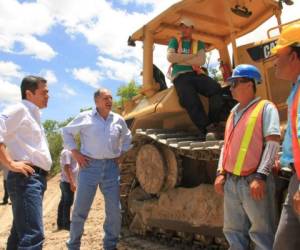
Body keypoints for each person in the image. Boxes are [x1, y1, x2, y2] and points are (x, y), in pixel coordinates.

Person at [214, 64, 281, 249]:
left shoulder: (265, 108)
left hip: (253, 180)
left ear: (249, 84)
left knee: (262, 234)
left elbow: (273, 143)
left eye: (235, 83)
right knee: (233, 232)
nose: (231, 87)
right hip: (232, 182)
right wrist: (221, 172)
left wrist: (261, 176)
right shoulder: (233, 112)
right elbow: (226, 146)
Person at [63, 88, 132, 250]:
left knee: (115, 210)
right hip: (89, 167)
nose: (109, 100)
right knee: (80, 209)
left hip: (111, 168)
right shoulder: (85, 117)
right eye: (105, 98)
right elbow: (66, 132)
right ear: (96, 101)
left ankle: (110, 245)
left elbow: (128, 136)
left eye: (111, 98)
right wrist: (75, 153)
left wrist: (122, 154)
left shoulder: (118, 119)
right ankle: (73, 246)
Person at [0, 75, 52, 249]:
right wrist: (10, 163)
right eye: (44, 92)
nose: (48, 95)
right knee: (33, 236)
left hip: (34, 179)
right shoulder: (20, 110)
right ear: (29, 94)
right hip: (26, 179)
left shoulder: (33, 114)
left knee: (19, 235)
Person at [167, 18, 223, 139]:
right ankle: (206, 129)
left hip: (196, 74)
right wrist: (192, 57)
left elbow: (201, 60)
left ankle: (214, 124)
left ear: (192, 28)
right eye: (182, 27)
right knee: (190, 99)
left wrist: (181, 58)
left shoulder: (199, 43)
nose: (184, 29)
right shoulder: (174, 41)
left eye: (187, 27)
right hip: (180, 76)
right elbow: (170, 57)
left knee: (216, 88)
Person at [271, 21, 300, 250]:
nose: (274, 61)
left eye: (278, 54)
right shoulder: (295, 89)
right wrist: (285, 156)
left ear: (294, 56)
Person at [57, 148, 79, 231]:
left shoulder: (69, 151)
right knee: (67, 202)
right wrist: (72, 182)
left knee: (64, 202)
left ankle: (61, 223)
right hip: (67, 182)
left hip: (66, 181)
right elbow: (67, 167)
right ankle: (66, 224)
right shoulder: (67, 152)